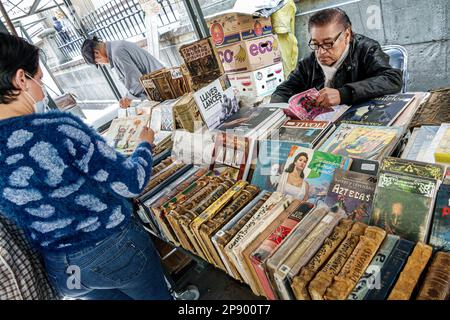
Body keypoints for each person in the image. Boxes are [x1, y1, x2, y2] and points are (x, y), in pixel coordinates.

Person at [0, 33, 171, 300]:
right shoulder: (57, 129)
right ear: (22, 79)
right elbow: (131, 182)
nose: (42, 91)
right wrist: (144, 146)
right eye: (40, 80)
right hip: (114, 252)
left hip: (66, 272)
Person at [271, 8, 403, 107]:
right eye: (316, 44)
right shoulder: (309, 63)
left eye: (328, 44)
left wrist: (344, 94)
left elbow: (392, 79)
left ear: (347, 35)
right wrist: (278, 110)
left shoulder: (366, 49)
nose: (321, 52)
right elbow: (283, 90)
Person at [81, 36, 164, 109]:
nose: (102, 65)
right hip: (160, 85)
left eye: (98, 62)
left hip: (162, 89)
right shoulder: (116, 46)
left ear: (97, 53)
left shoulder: (117, 53)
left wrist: (127, 99)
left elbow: (137, 83)